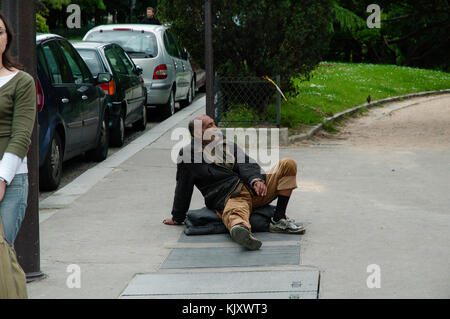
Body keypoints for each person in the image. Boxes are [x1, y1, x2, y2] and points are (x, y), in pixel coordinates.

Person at [163, 115, 304, 250]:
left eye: (214, 123)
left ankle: (279, 219)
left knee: (287, 164)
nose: (215, 127)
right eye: (210, 126)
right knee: (235, 215)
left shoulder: (226, 144)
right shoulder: (188, 154)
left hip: (254, 189)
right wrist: (177, 217)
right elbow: (183, 186)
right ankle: (242, 233)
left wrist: (256, 180)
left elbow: (247, 162)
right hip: (231, 196)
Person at [0, 12, 36, 245]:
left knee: (2, 253)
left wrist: (2, 179)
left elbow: (22, 136)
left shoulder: (22, 82)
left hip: (10, 181)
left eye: (0, 32)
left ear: (7, 38)